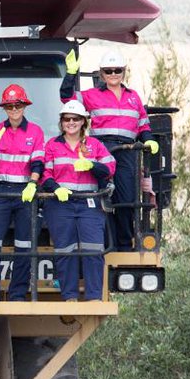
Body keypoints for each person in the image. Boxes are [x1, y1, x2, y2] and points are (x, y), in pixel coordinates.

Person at [61, 48, 158, 251]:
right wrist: (71, 74)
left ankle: (123, 245)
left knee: (126, 199)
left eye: (117, 70)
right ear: (102, 74)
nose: (113, 74)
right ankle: (101, 244)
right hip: (100, 149)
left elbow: (143, 124)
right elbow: (67, 100)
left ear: (124, 72)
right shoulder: (91, 95)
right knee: (100, 197)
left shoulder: (134, 97)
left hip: (127, 150)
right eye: (108, 71)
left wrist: (149, 140)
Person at [38, 100, 116, 301]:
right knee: (65, 250)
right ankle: (70, 296)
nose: (71, 122)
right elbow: (45, 173)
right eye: (67, 119)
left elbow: (109, 169)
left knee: (93, 250)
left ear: (83, 121)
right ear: (61, 122)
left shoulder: (95, 145)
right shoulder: (52, 145)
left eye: (75, 119)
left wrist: (91, 165)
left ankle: (94, 297)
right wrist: (56, 189)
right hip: (60, 204)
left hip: (88, 203)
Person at [0, 84, 46, 302]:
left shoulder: (35, 131)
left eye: (18, 104)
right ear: (4, 108)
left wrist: (32, 183)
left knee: (24, 246)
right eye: (10, 105)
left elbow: (38, 163)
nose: (14, 109)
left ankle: (17, 294)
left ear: (24, 106)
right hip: (0, 191)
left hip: (25, 192)